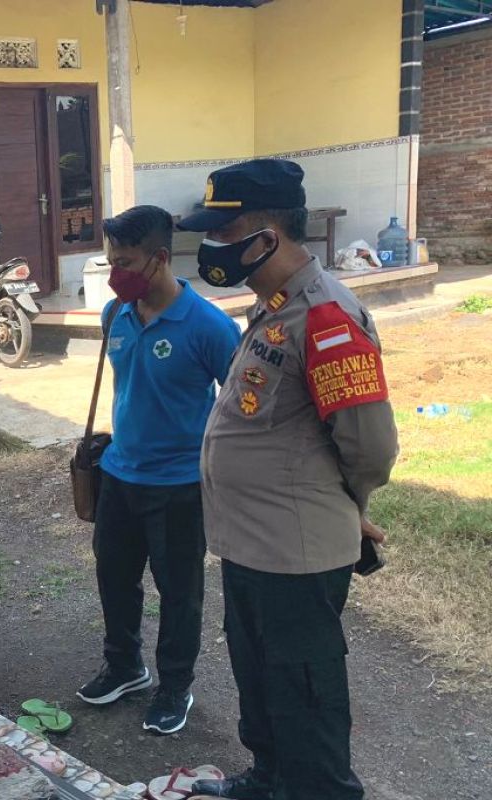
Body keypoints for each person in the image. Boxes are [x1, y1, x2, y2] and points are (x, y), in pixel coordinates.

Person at [174, 160, 398, 800]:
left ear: (267, 234)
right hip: (252, 546)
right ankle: (269, 781)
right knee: (263, 688)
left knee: (306, 705)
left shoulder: (324, 316)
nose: (212, 246)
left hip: (295, 557)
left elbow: (371, 446)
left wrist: (344, 504)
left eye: (224, 231)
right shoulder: (274, 307)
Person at [76, 206, 241, 736]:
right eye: (109, 261)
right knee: (115, 579)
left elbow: (240, 408)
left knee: (179, 591)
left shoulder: (210, 326)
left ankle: (175, 687)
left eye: (124, 261)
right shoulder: (115, 315)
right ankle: (125, 667)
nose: (114, 273)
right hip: (120, 477)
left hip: (179, 486)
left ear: (161, 258)